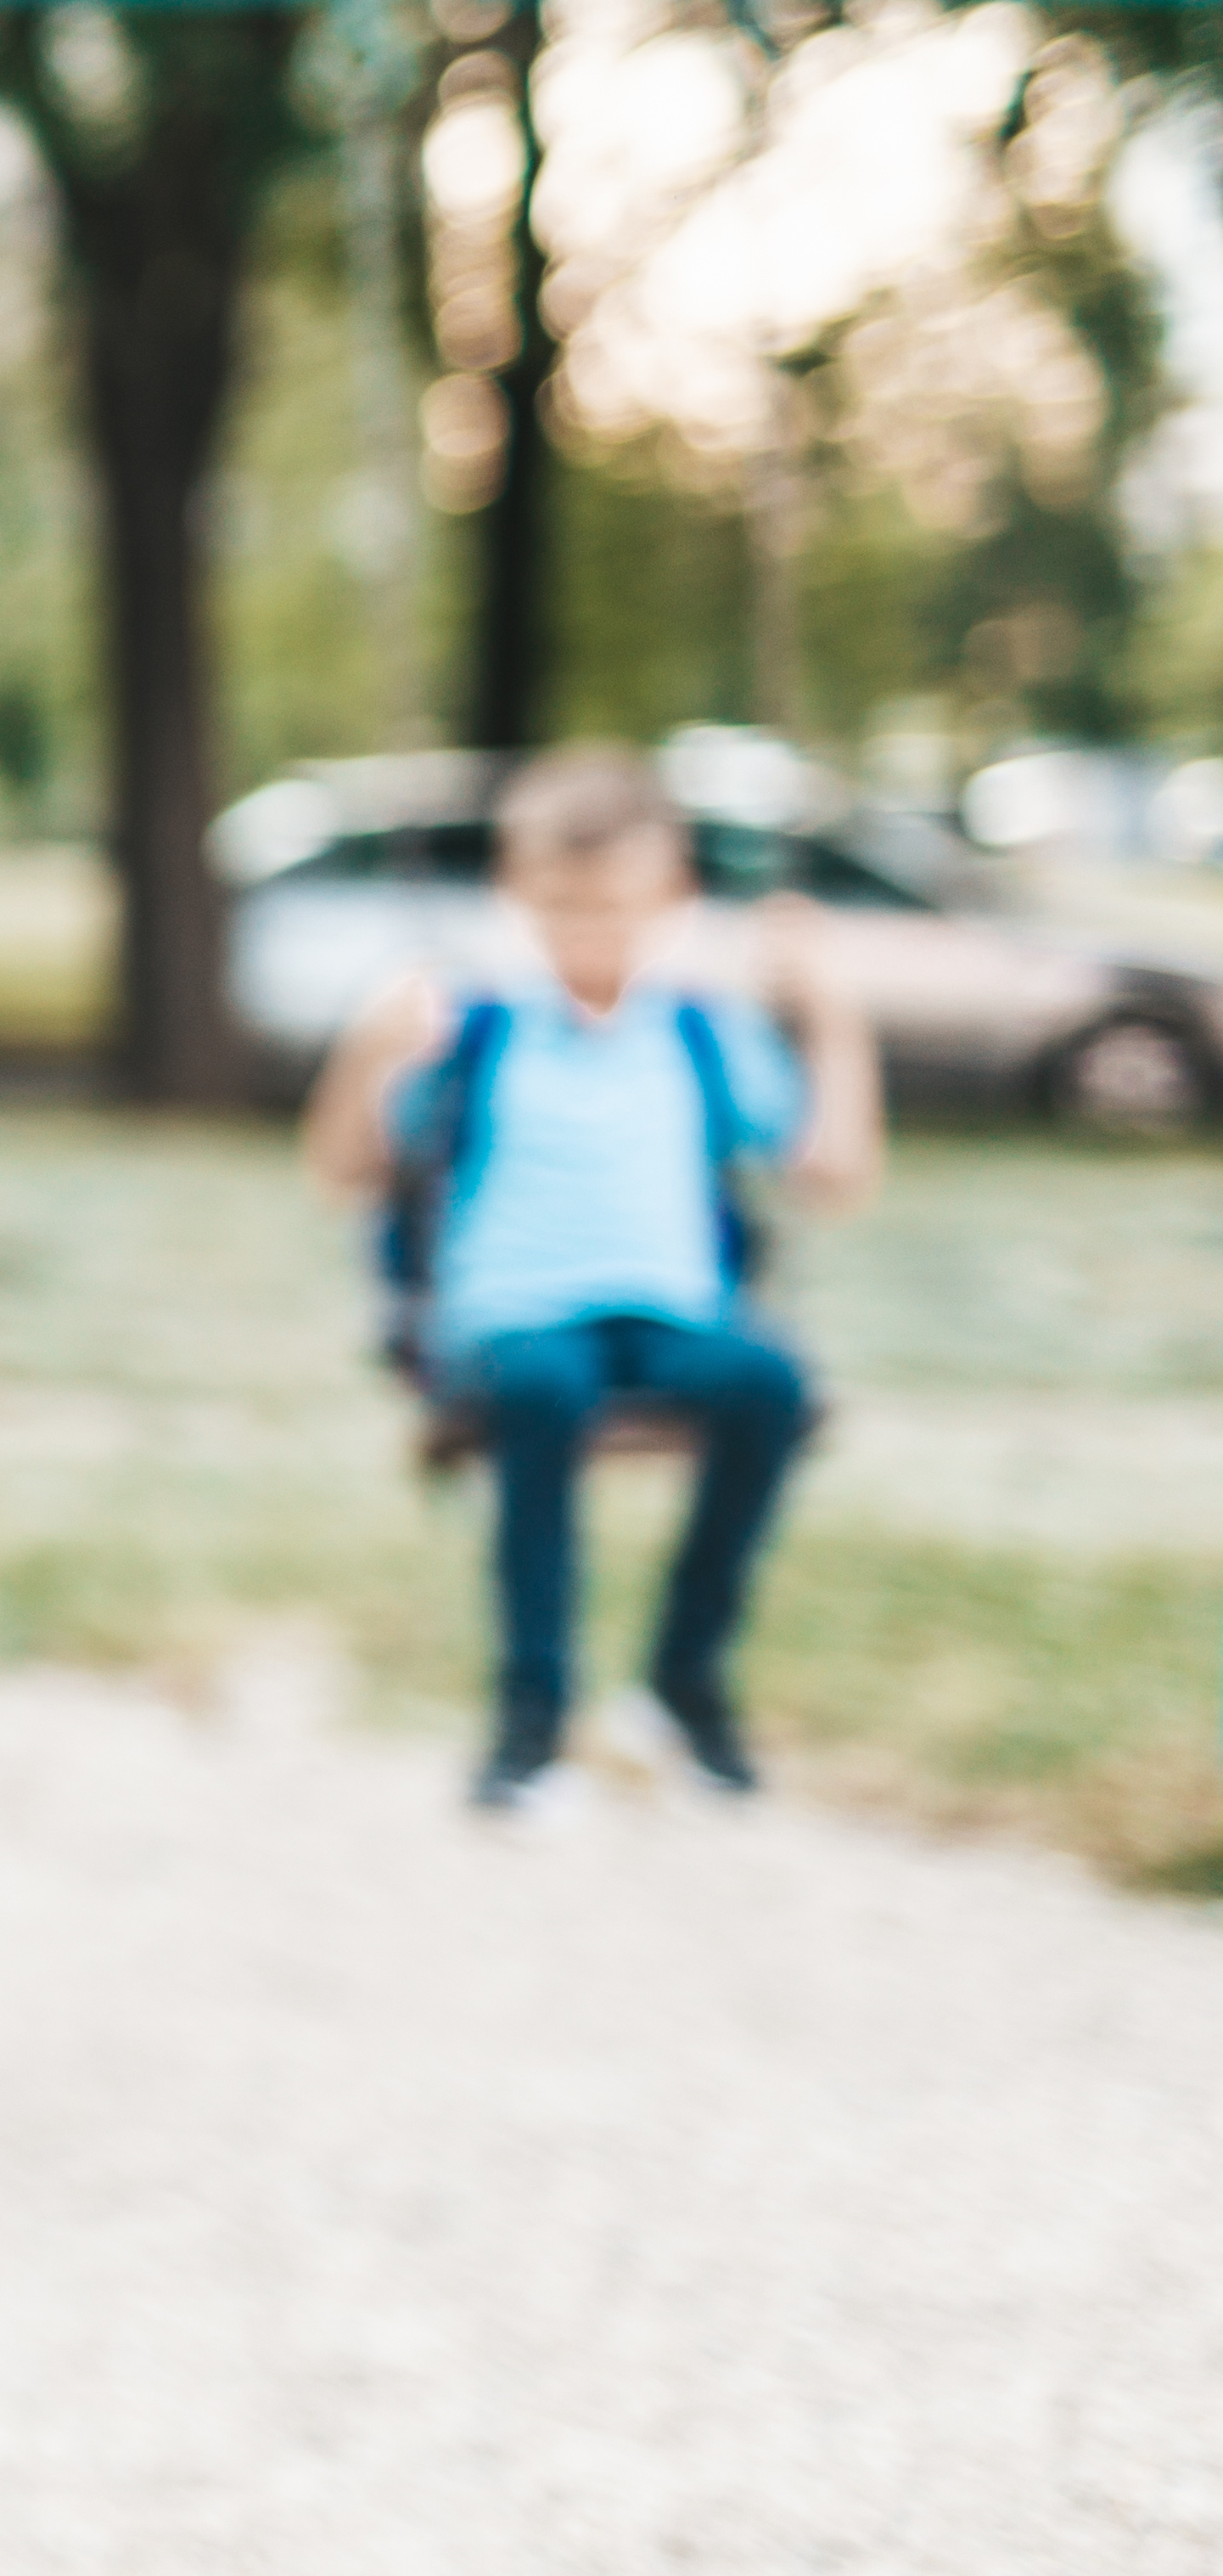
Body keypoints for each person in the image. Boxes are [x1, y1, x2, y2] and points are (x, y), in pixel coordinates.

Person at [297, 744, 882, 1814]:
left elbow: (832, 1176)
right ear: (519, 894)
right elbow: (340, 1171)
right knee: (542, 1392)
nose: (589, 935)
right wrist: (368, 1053)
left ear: (673, 899)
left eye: (616, 908)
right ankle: (531, 1721)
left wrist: (833, 1015)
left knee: (769, 1381)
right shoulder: (474, 1030)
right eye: (562, 908)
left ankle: (682, 1681)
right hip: (512, 1317)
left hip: (669, 1310)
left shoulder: (704, 1030)